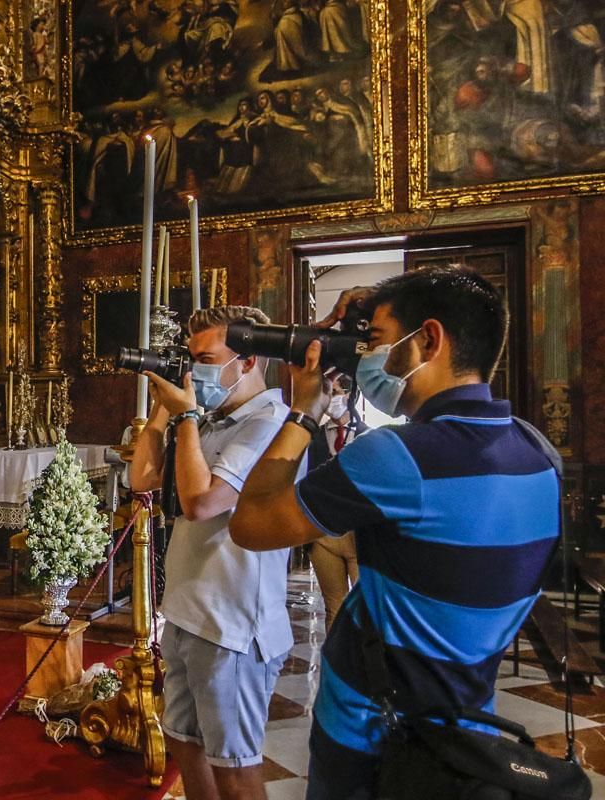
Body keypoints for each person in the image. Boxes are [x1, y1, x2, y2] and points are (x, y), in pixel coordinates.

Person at [230, 265, 560, 799]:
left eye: (377, 341)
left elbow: (250, 524)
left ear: (428, 340)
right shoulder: (537, 452)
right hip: (470, 726)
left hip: (372, 733)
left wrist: (303, 413)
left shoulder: (397, 457)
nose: (366, 357)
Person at [131, 306, 295, 800]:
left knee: (236, 770)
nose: (195, 371)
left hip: (232, 625)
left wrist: (183, 415)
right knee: (184, 741)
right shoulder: (207, 420)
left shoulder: (270, 422)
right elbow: (141, 479)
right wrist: (165, 405)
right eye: (191, 359)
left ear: (247, 363)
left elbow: (203, 503)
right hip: (186, 613)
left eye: (206, 360)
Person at [305, 375, 366, 631]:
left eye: (335, 392)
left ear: (349, 395)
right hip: (323, 535)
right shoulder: (313, 439)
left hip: (359, 534)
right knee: (335, 608)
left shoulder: (368, 437)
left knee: (366, 609)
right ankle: (335, 666)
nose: (331, 400)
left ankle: (366, 667)